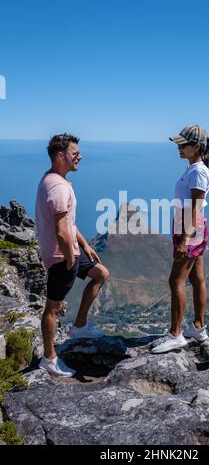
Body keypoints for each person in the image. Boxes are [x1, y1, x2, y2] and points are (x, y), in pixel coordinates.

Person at [35, 134, 110, 376]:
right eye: (74, 153)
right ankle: (49, 358)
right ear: (60, 156)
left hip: (72, 252)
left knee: (100, 273)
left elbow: (69, 225)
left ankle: (79, 326)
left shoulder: (59, 181)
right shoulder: (57, 187)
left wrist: (85, 246)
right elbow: (60, 232)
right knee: (53, 308)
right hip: (61, 257)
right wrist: (69, 259)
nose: (80, 156)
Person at [152, 125, 209, 354]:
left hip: (190, 230)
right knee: (197, 278)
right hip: (192, 228)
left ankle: (175, 334)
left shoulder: (197, 171)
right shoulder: (196, 168)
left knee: (175, 281)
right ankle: (198, 327)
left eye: (183, 144)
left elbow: (195, 208)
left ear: (196, 146)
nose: (178, 147)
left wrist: (185, 239)